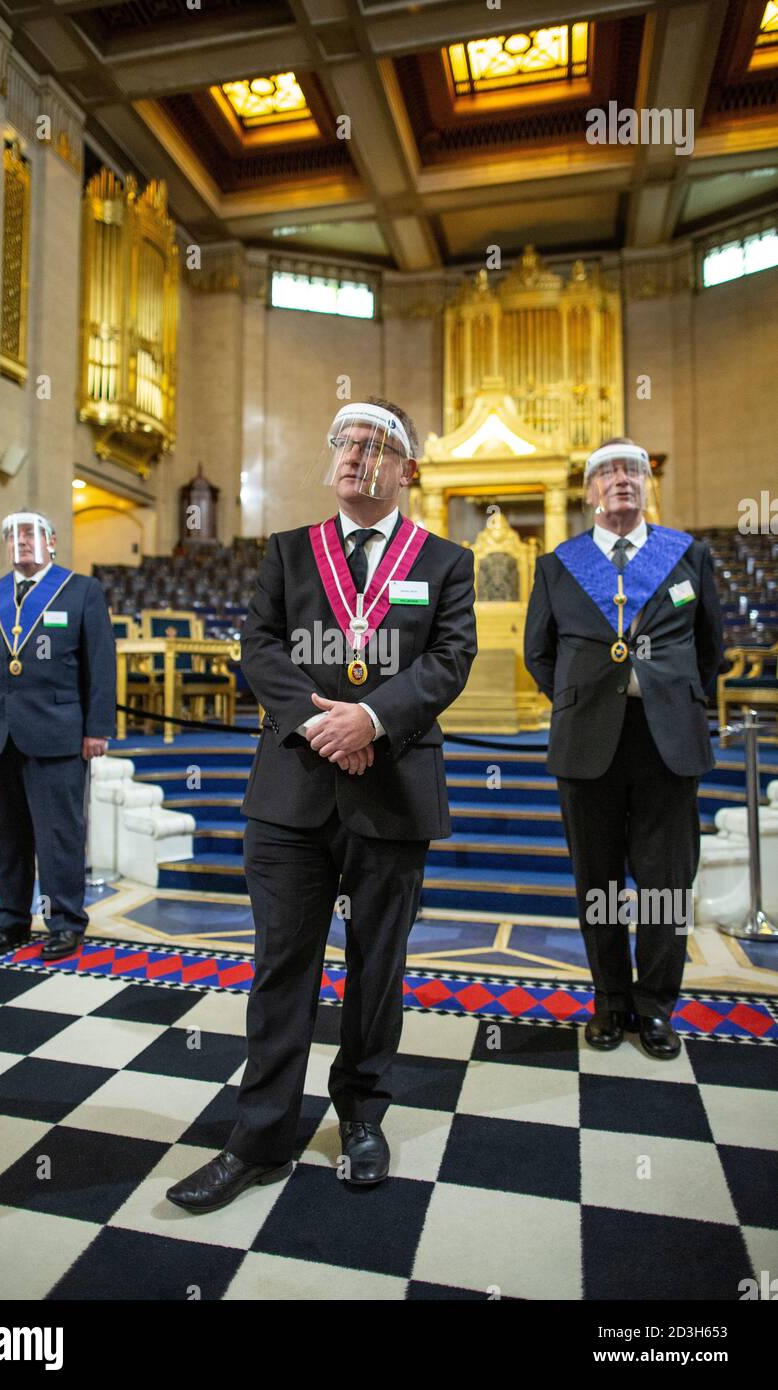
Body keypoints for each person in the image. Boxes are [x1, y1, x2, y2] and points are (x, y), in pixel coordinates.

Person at [167, 397, 477, 1213]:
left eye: (375, 445)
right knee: (281, 972)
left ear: (407, 469)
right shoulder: (287, 553)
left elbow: (449, 661)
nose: (354, 454)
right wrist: (322, 723)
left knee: (377, 971)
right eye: (343, 440)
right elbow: (258, 648)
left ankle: (363, 1118)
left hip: (395, 789)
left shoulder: (445, 562)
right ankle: (260, 1135)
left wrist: (373, 718)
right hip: (292, 795)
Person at [524, 438, 723, 1058]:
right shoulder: (560, 563)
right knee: (598, 881)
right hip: (589, 744)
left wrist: (667, 696)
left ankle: (657, 1006)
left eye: (633, 470)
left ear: (647, 483)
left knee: (666, 882)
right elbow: (540, 653)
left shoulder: (688, 555)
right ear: (588, 491)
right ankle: (610, 1002)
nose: (622, 480)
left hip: (667, 741)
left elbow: (710, 648)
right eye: (607, 472)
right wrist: (585, 699)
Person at [0, 511, 117, 961]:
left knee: (59, 836)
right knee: (4, 836)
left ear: (53, 541)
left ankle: (65, 923)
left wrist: (97, 728)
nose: (20, 542)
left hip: (59, 735)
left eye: (30, 534)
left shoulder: (81, 590)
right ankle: (11, 920)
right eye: (12, 535)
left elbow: (100, 664)